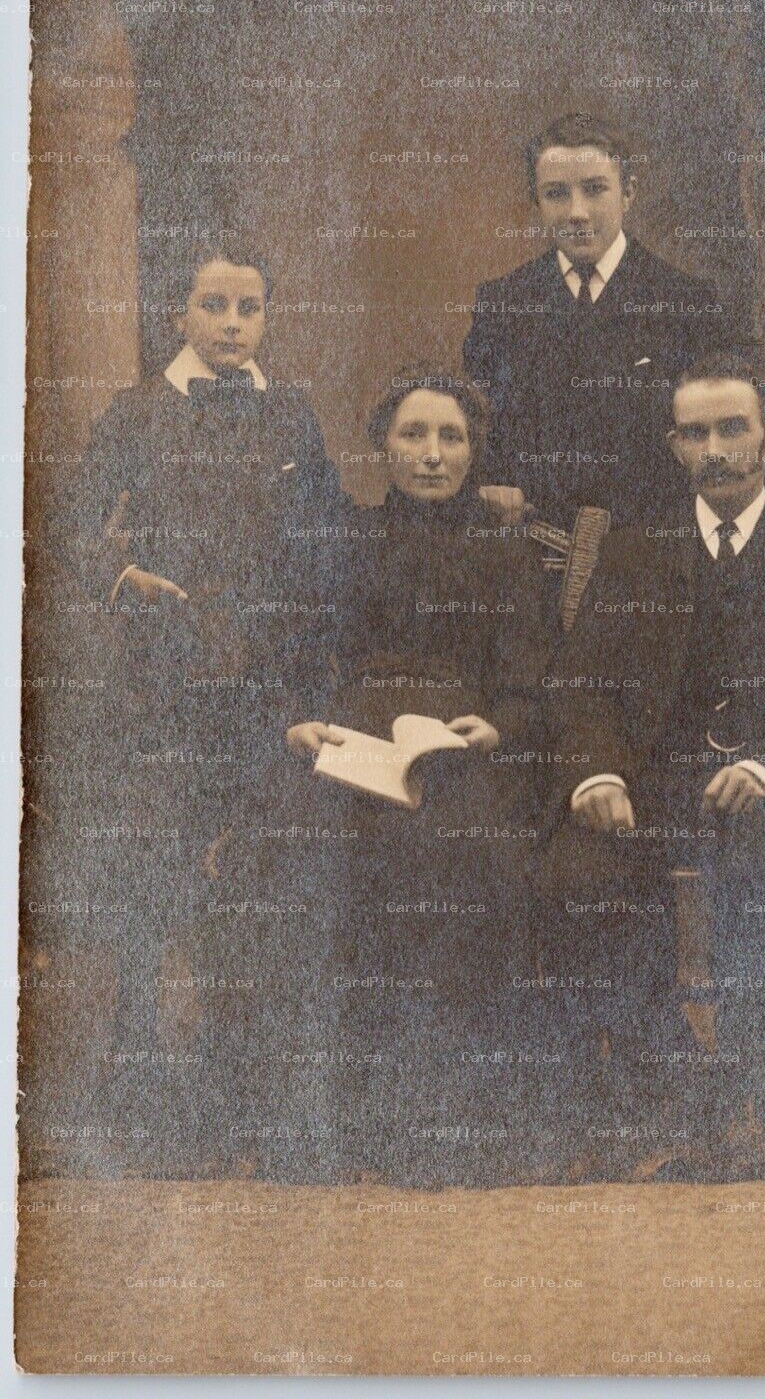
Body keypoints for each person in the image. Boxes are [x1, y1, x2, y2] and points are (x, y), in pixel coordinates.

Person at [64, 241, 349, 1176]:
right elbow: (69, 525)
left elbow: (325, 541)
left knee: (263, 875)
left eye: (249, 308)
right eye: (214, 306)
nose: (232, 325)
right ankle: (147, 1091)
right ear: (178, 315)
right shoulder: (139, 413)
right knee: (157, 873)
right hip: (167, 686)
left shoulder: (290, 415)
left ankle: (252, 1089)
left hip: (268, 684)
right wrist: (123, 578)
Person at [539, 356, 765, 1175]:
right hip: (655, 783)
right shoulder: (635, 552)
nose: (714, 449)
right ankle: (672, 1073)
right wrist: (599, 774)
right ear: (674, 446)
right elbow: (581, 685)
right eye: (694, 433)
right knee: (579, 871)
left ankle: (747, 1085)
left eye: (732, 428)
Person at [238, 368, 555, 1186]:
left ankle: (441, 1118)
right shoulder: (344, 540)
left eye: (451, 437)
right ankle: (327, 1119)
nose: (431, 454)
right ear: (383, 444)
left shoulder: (506, 553)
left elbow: (530, 682)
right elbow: (292, 656)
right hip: (352, 742)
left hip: (457, 748)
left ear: (474, 450)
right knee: (304, 849)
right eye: (413, 435)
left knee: (459, 854)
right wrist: (299, 720)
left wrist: (499, 725)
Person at [462, 111, 737, 531]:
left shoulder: (687, 303)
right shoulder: (502, 304)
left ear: (628, 193)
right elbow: (476, 438)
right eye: (556, 193)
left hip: (651, 546)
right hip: (530, 548)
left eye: (594, 189)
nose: (577, 212)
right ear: (536, 203)